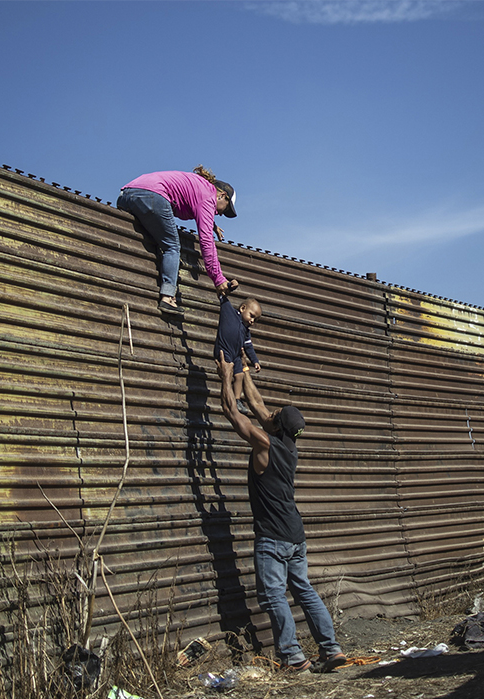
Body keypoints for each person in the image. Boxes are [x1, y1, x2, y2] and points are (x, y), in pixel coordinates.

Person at [215, 351, 349, 673]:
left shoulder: (264, 444)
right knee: (303, 588)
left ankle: (292, 657)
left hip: (273, 539)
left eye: (275, 413)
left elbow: (233, 413)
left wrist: (224, 375)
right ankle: (331, 650)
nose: (269, 410)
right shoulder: (288, 446)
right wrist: (243, 368)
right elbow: (258, 405)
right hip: (296, 536)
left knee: (273, 596)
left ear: (277, 426)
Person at [117, 166, 240, 316]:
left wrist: (212, 225)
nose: (221, 214)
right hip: (152, 196)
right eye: (225, 209)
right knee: (172, 247)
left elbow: (191, 202)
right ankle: (168, 297)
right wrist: (218, 279)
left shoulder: (200, 186)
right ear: (222, 195)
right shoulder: (208, 196)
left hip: (127, 194)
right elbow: (206, 241)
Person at [214, 295, 262, 415]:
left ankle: (237, 400)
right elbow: (222, 296)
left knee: (240, 375)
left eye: (255, 320)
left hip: (236, 355)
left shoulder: (246, 331)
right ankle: (227, 399)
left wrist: (255, 361)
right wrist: (228, 286)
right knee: (228, 374)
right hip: (224, 351)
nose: (252, 321)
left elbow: (249, 347)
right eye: (251, 316)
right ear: (243, 308)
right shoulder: (230, 313)